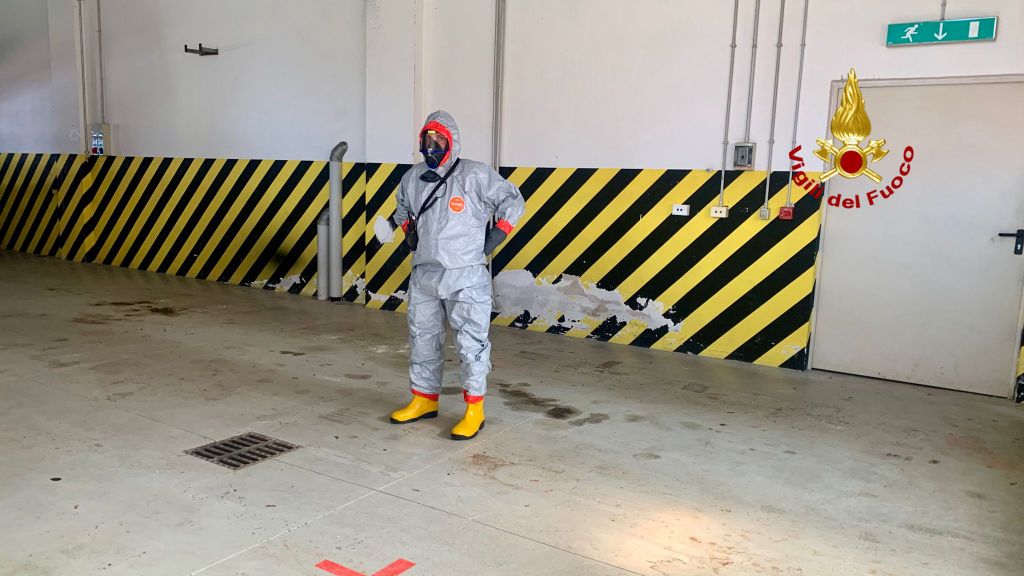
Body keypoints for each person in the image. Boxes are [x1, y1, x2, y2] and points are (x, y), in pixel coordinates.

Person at [374, 110, 525, 440]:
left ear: (451, 142)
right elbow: (403, 209)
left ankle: (474, 409)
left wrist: (496, 235)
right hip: (425, 273)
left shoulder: (474, 175)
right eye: (427, 139)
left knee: (471, 343)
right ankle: (424, 399)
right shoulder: (412, 178)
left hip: (465, 275)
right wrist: (403, 229)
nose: (432, 146)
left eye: (439, 140)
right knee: (423, 337)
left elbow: (512, 201)